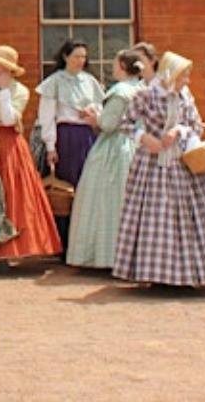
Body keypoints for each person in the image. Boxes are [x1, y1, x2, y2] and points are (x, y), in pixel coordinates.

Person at [112, 51, 205, 287]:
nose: (187, 81)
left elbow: (196, 125)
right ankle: (155, 274)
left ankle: (187, 273)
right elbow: (125, 124)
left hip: (182, 161)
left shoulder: (184, 96)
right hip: (152, 163)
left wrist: (179, 130)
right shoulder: (146, 95)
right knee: (155, 216)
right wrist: (144, 137)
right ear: (170, 73)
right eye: (184, 76)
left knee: (188, 216)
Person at [0, 44, 62, 262]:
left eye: (2, 67)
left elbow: (9, 119)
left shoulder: (20, 91)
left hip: (9, 146)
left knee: (11, 193)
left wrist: (4, 91)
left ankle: (9, 252)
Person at [64, 47, 143, 269]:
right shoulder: (142, 88)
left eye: (116, 64)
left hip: (115, 148)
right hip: (137, 144)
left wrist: (94, 118)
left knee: (106, 202)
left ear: (124, 67)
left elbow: (108, 124)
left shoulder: (121, 92)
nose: (113, 68)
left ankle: (107, 256)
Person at [36, 39, 105, 186]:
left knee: (89, 179)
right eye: (76, 56)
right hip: (66, 136)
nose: (80, 61)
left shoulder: (89, 81)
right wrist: (50, 147)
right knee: (68, 180)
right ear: (66, 57)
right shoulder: (54, 81)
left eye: (83, 57)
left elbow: (100, 106)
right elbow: (47, 116)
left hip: (87, 135)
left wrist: (92, 111)